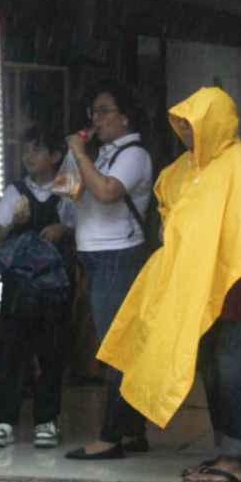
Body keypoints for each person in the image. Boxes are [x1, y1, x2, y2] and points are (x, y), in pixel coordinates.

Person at [96, 87, 241, 482]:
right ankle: (226, 450)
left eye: (194, 123)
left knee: (240, 370)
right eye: (182, 124)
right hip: (197, 288)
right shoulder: (183, 168)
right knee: (214, 372)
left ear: (216, 121)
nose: (186, 131)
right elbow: (171, 218)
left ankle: (239, 459)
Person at [61, 82, 157, 461]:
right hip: (95, 256)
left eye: (103, 111)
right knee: (121, 347)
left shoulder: (133, 155)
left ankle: (111, 436)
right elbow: (74, 201)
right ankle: (132, 431)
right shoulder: (102, 154)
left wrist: (80, 154)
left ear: (125, 117)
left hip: (119, 256)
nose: (95, 119)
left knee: (116, 350)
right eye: (93, 113)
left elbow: (106, 193)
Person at [0, 128, 76, 449]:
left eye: (37, 149)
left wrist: (62, 227)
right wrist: (15, 224)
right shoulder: (14, 191)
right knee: (13, 351)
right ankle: (3, 421)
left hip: (55, 284)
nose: (29, 156)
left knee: (52, 351)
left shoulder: (68, 187)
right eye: (25, 150)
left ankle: (46, 421)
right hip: (19, 284)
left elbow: (82, 227)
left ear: (54, 157)